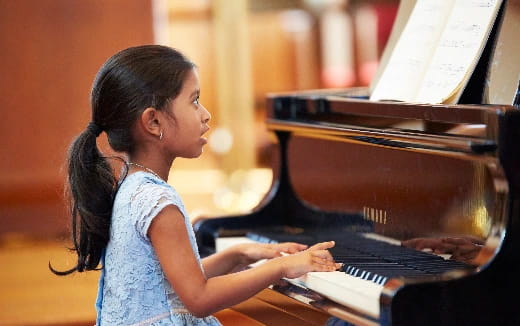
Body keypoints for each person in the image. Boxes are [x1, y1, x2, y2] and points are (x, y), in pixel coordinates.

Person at [50, 44, 341, 326]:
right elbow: (198, 298)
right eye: (194, 100)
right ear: (153, 122)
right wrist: (280, 266)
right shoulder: (158, 203)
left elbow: (168, 283)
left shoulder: (131, 188)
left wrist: (238, 254)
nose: (205, 114)